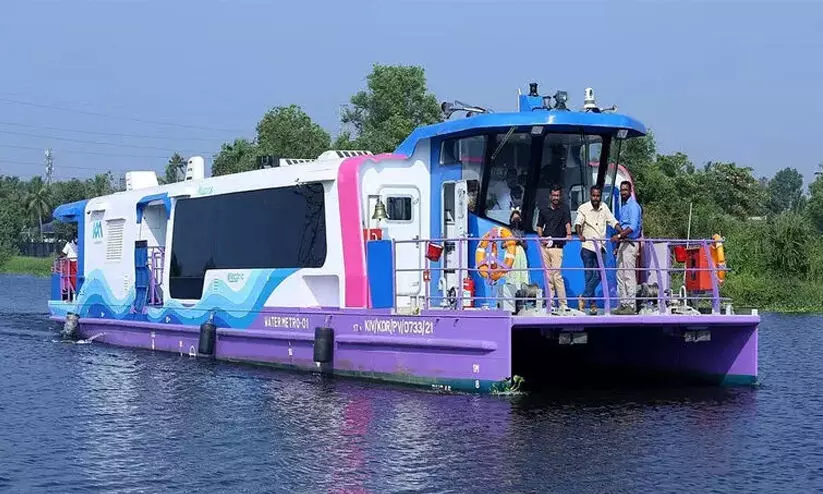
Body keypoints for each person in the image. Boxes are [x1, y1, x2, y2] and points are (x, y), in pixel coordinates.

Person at [574, 186, 624, 315]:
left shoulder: (604, 207)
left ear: (600, 196)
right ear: (590, 196)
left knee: (600, 275)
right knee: (589, 276)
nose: (596, 198)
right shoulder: (584, 208)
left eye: (598, 196)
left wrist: (621, 232)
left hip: (600, 247)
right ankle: (592, 305)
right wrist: (580, 235)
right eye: (594, 196)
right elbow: (578, 223)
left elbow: (613, 221)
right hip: (588, 247)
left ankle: (583, 297)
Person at [535, 185, 571, 311]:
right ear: (550, 196)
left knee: (557, 275)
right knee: (548, 275)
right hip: (545, 246)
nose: (556, 198)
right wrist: (541, 238)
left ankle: (563, 304)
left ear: (560, 196)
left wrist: (569, 234)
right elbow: (539, 226)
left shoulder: (564, 209)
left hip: (557, 247)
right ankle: (550, 303)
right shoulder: (543, 210)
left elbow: (567, 223)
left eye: (557, 195)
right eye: (554, 195)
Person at [611, 181, 643, 315]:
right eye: (622, 190)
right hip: (623, 244)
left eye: (625, 190)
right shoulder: (623, 207)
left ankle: (631, 305)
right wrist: (617, 245)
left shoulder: (634, 207)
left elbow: (633, 227)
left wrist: (618, 236)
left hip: (630, 243)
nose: (623, 192)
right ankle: (623, 304)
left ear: (630, 191)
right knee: (620, 274)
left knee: (629, 275)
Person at [501, 209, 530, 312]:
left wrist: (520, 241)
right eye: (514, 218)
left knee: (521, 278)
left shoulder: (522, 231)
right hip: (510, 254)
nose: (516, 220)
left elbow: (526, 246)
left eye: (518, 218)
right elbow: (502, 245)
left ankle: (521, 304)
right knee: (511, 277)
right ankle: (511, 304)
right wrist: (511, 241)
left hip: (520, 254)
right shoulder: (506, 230)